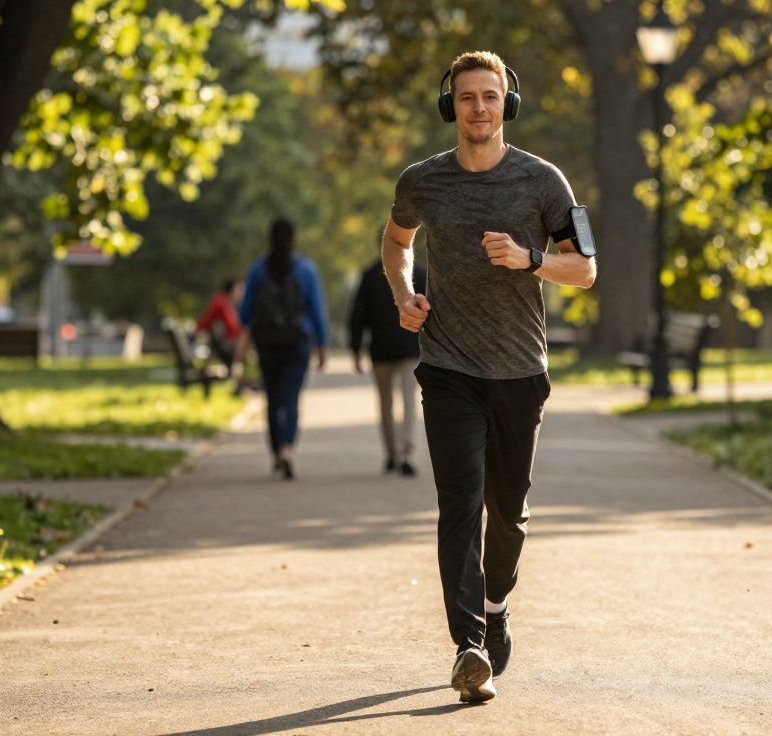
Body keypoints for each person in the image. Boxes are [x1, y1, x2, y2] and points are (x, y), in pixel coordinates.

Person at [381, 51, 596, 703]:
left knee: (507, 512)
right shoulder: (422, 182)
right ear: (452, 105)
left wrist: (531, 260)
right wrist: (404, 292)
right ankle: (468, 645)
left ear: (508, 104)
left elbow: (584, 269)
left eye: (490, 96)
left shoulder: (543, 181)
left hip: (519, 371)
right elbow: (395, 242)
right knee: (459, 503)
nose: (479, 107)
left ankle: (497, 604)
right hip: (447, 367)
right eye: (468, 96)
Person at [235, 219, 329, 481]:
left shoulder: (257, 270)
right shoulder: (306, 270)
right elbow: (317, 311)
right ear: (293, 238)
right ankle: (288, 447)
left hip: (267, 343)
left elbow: (245, 315)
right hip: (297, 342)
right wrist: (321, 346)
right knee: (291, 398)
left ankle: (276, 452)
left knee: (273, 399)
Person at [347, 256, 427, 477]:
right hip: (410, 347)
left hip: (380, 349)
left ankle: (392, 453)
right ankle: (408, 451)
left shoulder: (371, 274)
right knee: (410, 400)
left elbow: (358, 313)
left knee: (385, 402)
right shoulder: (419, 273)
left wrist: (356, 349)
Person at [196, 277, 242, 372]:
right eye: (238, 289)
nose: (240, 292)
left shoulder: (221, 301)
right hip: (215, 343)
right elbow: (232, 326)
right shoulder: (221, 303)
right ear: (231, 289)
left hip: (215, 342)